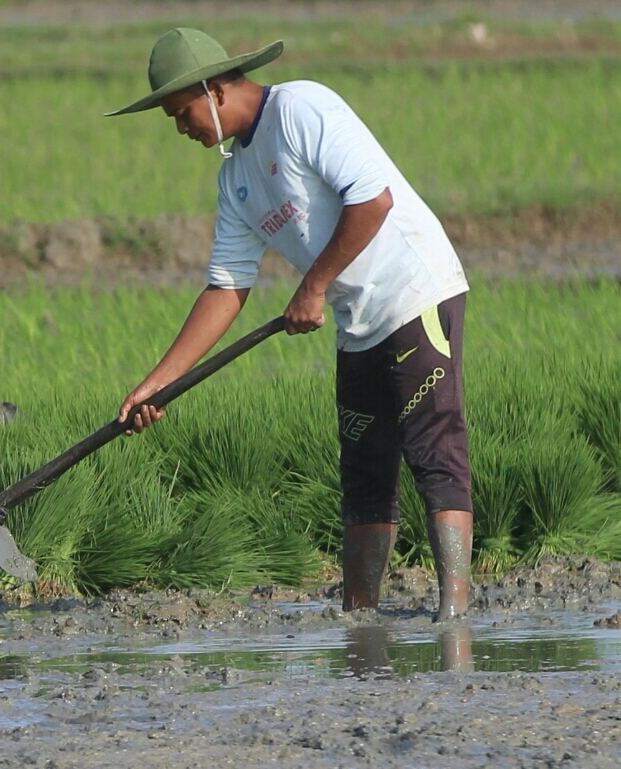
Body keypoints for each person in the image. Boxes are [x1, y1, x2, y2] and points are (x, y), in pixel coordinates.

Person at [107, 29, 473, 619]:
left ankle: (456, 613)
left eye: (182, 113)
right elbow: (227, 287)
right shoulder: (235, 180)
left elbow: (371, 201)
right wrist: (159, 383)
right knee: (364, 466)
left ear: (214, 91)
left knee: (433, 450)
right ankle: (359, 618)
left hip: (415, 291)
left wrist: (314, 285)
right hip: (358, 320)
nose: (182, 130)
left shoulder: (301, 108)